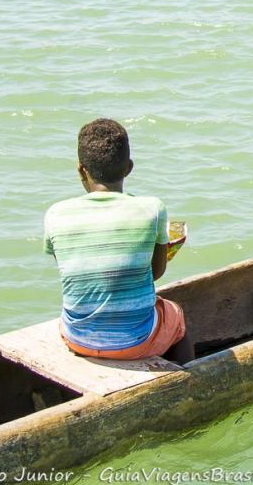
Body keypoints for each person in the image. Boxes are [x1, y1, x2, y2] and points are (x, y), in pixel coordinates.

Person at [43, 118, 194, 364]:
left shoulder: (55, 214)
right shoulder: (152, 209)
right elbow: (156, 273)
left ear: (81, 169)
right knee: (176, 315)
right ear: (129, 168)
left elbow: (75, 270)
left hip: (76, 338)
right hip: (135, 341)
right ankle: (188, 387)